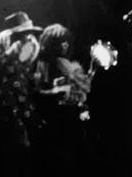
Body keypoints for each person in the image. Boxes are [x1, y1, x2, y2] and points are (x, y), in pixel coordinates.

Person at [0, 11, 44, 177]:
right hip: (6, 108)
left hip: (25, 108)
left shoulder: (31, 45)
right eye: (22, 34)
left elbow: (30, 76)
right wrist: (7, 56)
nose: (26, 37)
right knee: (15, 154)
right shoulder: (2, 43)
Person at [34, 23, 95, 177]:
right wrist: (58, 90)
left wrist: (82, 104)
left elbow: (79, 90)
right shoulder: (44, 64)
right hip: (57, 124)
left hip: (73, 121)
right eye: (60, 41)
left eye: (66, 40)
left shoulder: (67, 63)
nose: (65, 44)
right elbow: (39, 92)